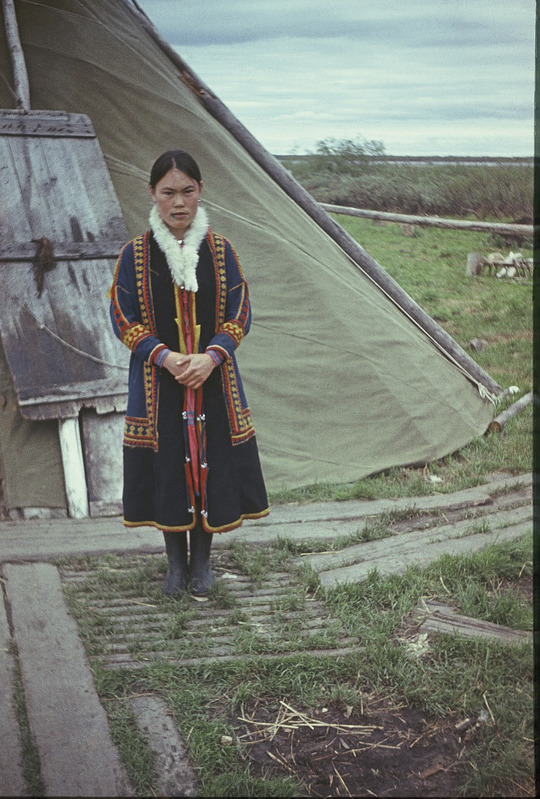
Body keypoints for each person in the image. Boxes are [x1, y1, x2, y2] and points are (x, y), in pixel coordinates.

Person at [109, 149, 269, 597]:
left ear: (200, 193)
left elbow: (241, 310)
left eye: (188, 191)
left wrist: (211, 357)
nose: (179, 203)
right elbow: (122, 316)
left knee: (208, 466)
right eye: (168, 193)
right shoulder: (134, 255)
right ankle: (174, 566)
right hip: (159, 386)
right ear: (152, 195)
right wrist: (164, 356)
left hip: (213, 384)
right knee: (169, 468)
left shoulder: (220, 251)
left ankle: (203, 563)